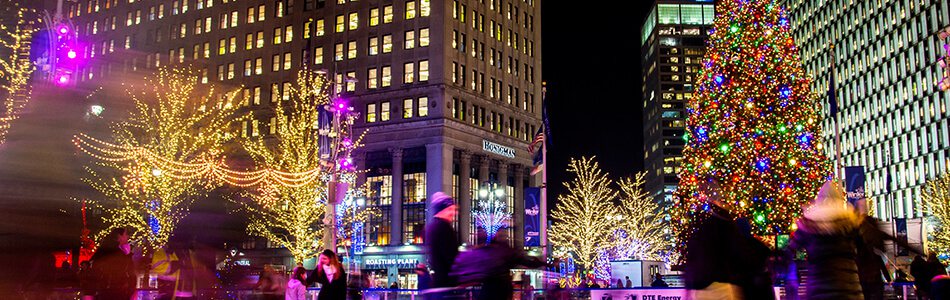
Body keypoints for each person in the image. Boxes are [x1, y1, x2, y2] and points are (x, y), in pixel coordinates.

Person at [786, 180, 863, 300]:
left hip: (818, 289)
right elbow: (864, 248)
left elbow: (790, 249)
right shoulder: (850, 225)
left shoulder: (809, 226)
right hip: (848, 289)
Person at [684, 179, 744, 300]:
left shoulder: (700, 228)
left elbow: (691, 258)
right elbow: (738, 254)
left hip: (702, 287)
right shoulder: (726, 226)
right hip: (722, 284)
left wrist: (689, 287)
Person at [856, 200, 922, 300]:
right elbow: (897, 241)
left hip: (864, 280)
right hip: (873, 280)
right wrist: (917, 251)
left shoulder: (859, 243)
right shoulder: (875, 253)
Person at [424, 192, 460, 298]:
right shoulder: (444, 228)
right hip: (447, 287)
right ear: (442, 210)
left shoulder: (432, 227)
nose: (453, 213)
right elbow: (452, 257)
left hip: (440, 286)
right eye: (450, 209)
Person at [89, 227, 135, 300]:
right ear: (120, 237)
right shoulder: (117, 253)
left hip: (106, 290)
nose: (128, 237)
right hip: (114, 291)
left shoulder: (106, 250)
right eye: (125, 234)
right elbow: (125, 271)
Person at [736, 218, 775, 300]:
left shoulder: (735, 246)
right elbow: (769, 257)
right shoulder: (758, 245)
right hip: (760, 286)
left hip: (744, 287)